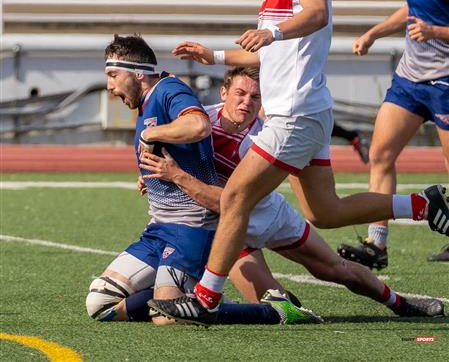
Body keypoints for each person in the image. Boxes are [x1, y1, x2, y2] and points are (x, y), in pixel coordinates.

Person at [148, 0, 449, 325]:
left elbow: (318, 11)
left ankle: (205, 299)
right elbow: (265, 52)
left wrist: (273, 33)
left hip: (294, 116)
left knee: (236, 197)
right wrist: (214, 56)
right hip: (306, 114)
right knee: (324, 213)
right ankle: (422, 203)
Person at [145, 67, 444, 321]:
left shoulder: (262, 140)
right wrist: (150, 176)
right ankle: (293, 308)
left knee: (335, 269)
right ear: (223, 93)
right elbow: (165, 148)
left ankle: (400, 303)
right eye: (240, 93)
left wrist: (176, 176)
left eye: (255, 97)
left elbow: (226, 201)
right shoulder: (200, 122)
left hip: (267, 214)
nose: (246, 102)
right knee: (275, 308)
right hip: (227, 229)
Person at [86, 33, 316, 326]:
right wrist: (149, 175)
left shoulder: (168, 89)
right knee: (100, 303)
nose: (109, 85)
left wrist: (149, 135)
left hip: (191, 229)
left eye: (113, 75)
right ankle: (188, 295)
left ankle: (274, 312)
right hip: (159, 228)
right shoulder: (147, 100)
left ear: (137, 73)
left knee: (166, 317)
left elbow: (199, 125)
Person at [338, 0, 449, 269]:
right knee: (381, 153)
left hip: (445, 83)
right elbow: (411, 9)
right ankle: (376, 244)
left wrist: (434, 32)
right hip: (409, 81)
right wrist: (374, 32)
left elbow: (429, 23)